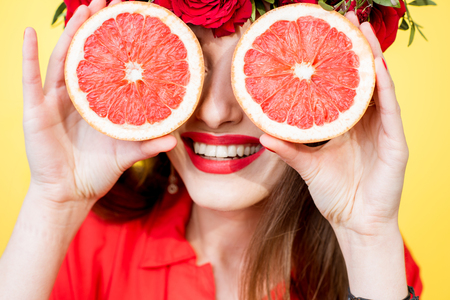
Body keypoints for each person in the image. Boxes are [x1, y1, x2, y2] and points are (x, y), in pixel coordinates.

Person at [0, 0, 422, 299]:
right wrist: (53, 204)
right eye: (192, 65)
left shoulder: (377, 263)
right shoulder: (83, 247)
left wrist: (367, 238)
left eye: (254, 69)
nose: (216, 112)